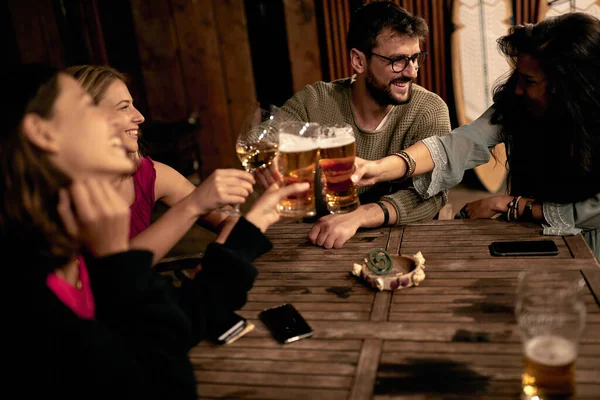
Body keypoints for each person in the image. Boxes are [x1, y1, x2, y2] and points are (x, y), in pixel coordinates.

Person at [3, 63, 308, 398]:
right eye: (87, 108)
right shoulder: (30, 300)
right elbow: (167, 380)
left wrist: (254, 224)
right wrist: (118, 262)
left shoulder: (72, 257)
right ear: (42, 133)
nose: (135, 119)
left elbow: (178, 320)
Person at [351, 12, 600, 259]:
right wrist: (379, 168)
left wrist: (509, 205)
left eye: (529, 81)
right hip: (535, 237)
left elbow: (591, 211)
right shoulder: (519, 103)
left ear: (567, 87)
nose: (518, 89)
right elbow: (461, 143)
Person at [269, 1, 451, 249]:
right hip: (321, 240)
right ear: (358, 60)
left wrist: (362, 215)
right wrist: (269, 157)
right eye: (398, 60)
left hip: (404, 239)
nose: (412, 72)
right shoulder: (316, 101)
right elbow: (264, 137)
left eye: (415, 58)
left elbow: (432, 194)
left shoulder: (429, 109)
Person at [65, 64, 247, 265]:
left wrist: (212, 262)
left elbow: (230, 220)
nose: (140, 117)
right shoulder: (60, 194)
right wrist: (191, 206)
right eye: (124, 107)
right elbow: (114, 275)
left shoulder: (146, 173)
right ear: (87, 119)